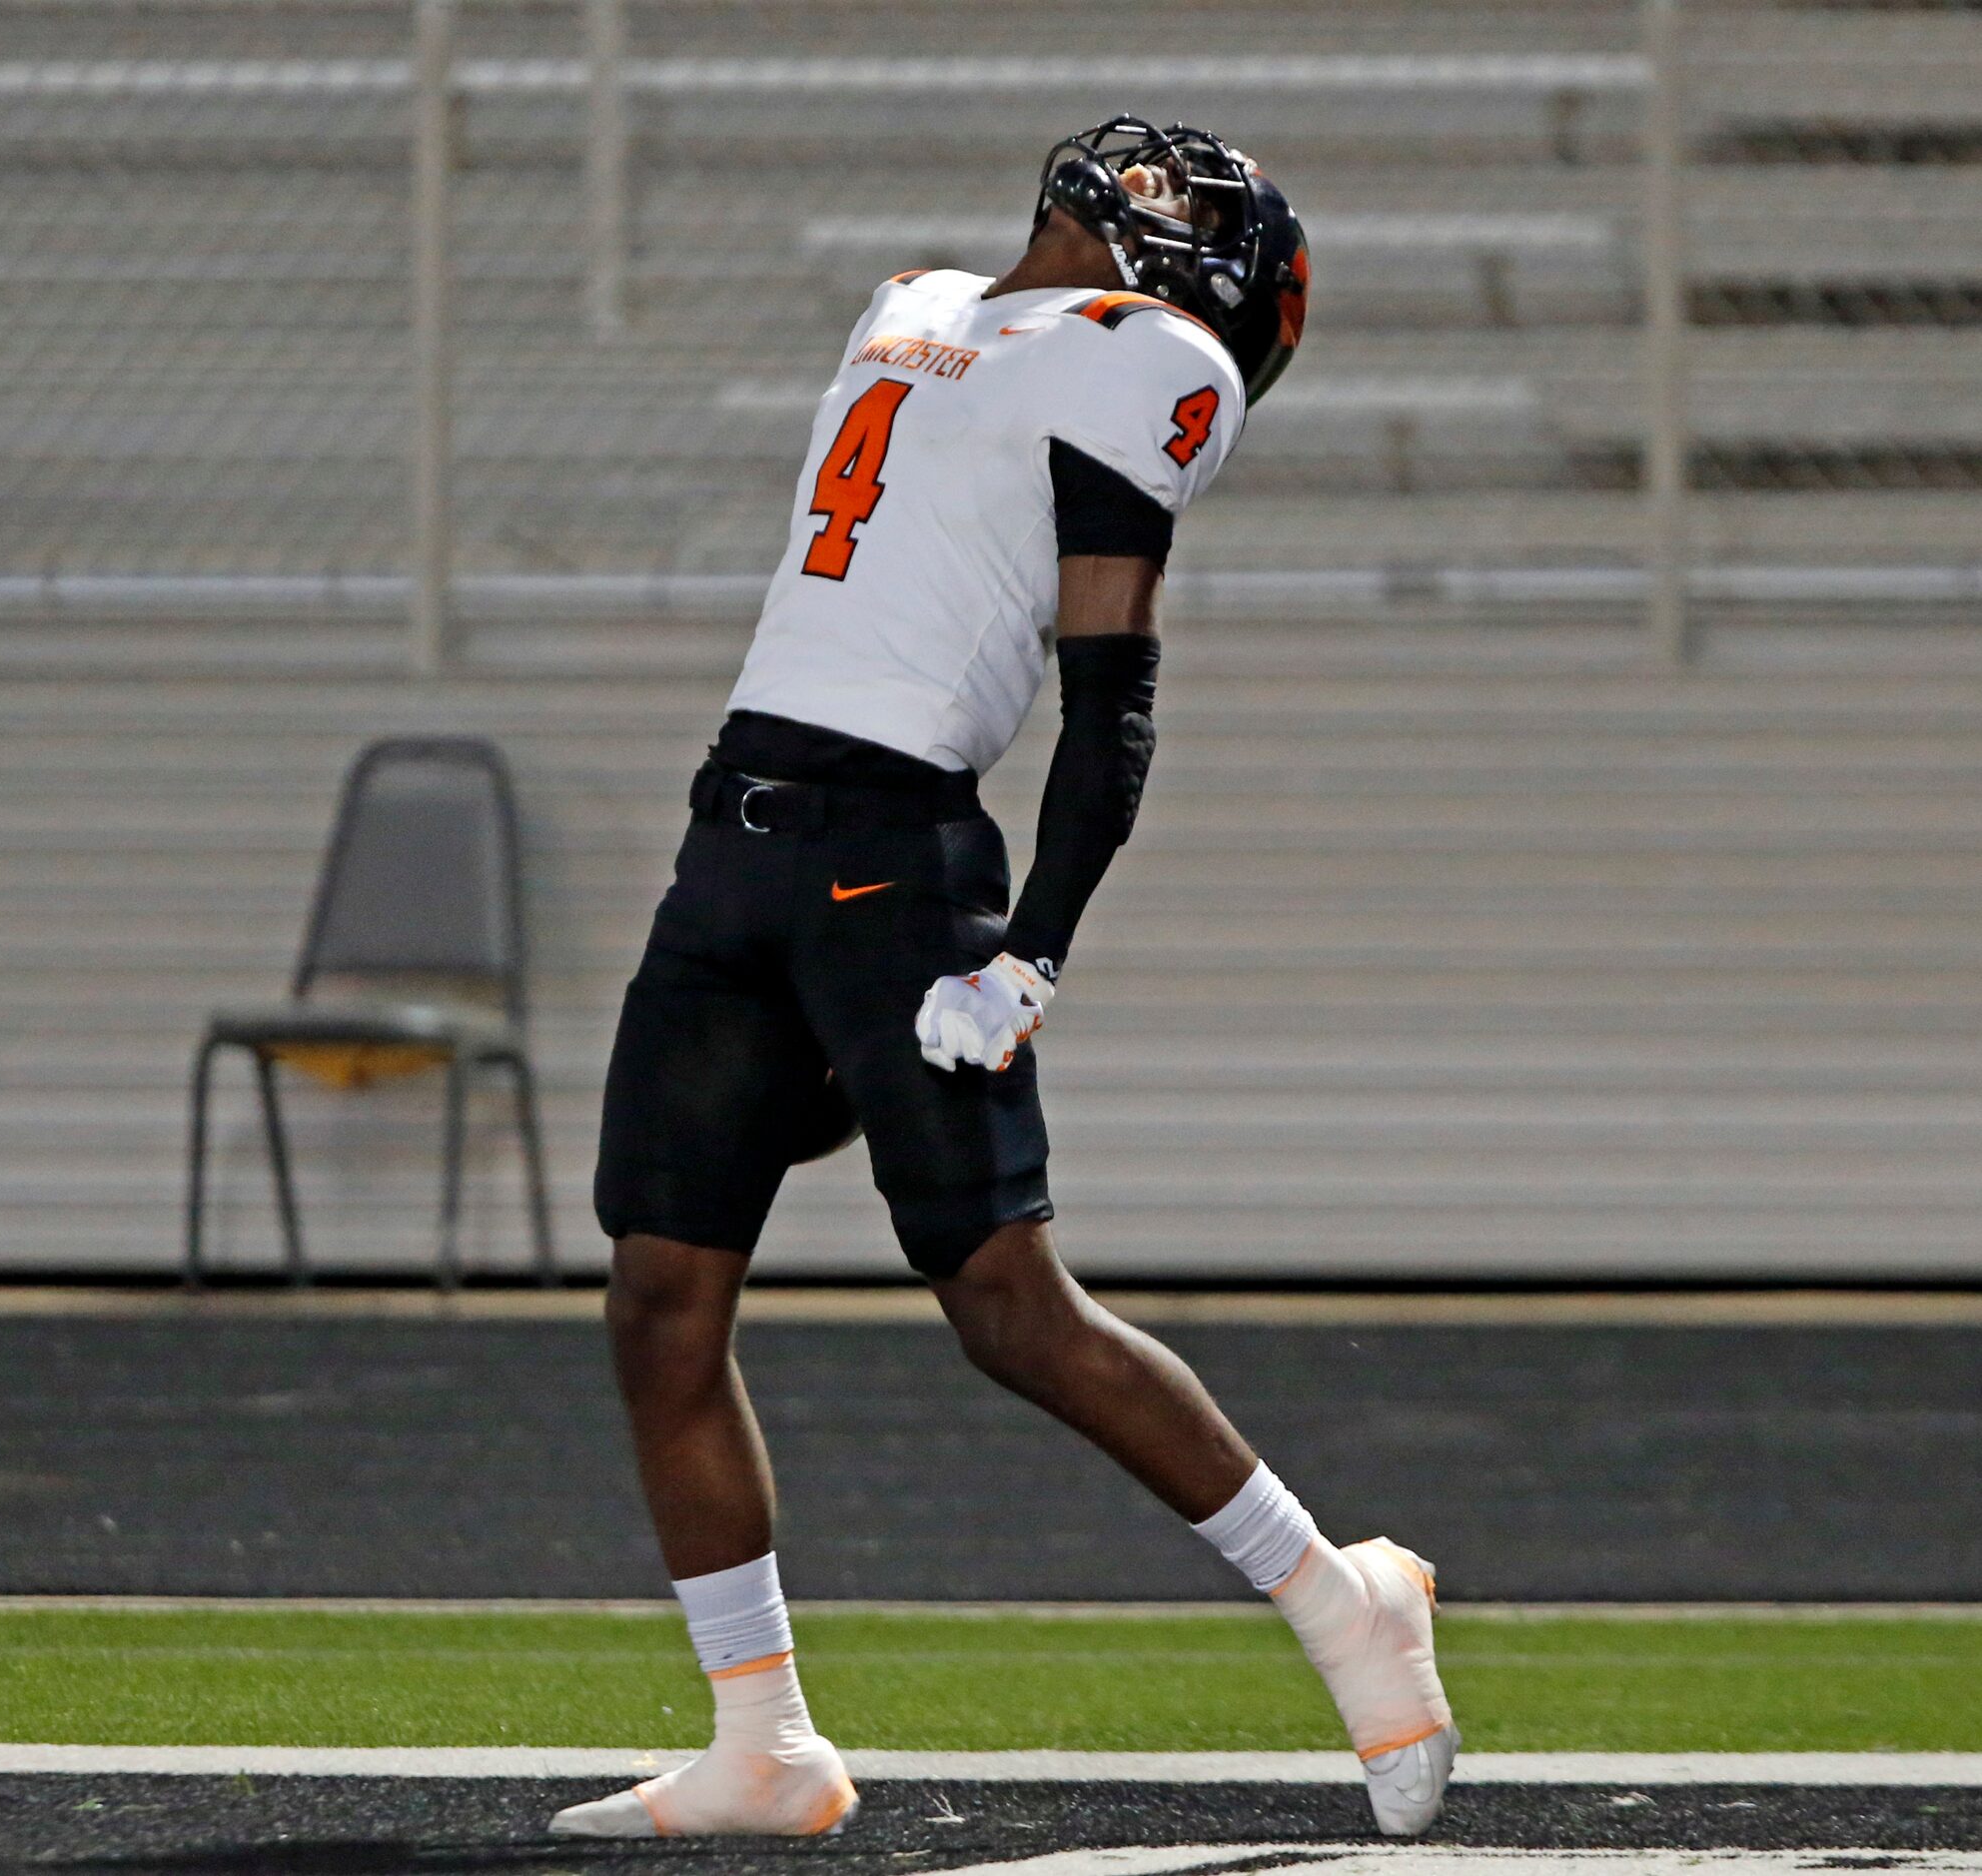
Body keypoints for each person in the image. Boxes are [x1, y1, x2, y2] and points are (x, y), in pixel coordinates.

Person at [552, 117, 1456, 1844]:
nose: (1159, 187)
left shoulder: (1154, 360)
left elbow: (1109, 701)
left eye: (1202, 212)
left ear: (1212, 288)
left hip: (895, 851)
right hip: (735, 827)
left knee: (1007, 1306)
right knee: (659, 1298)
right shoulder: (915, 298)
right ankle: (767, 1743)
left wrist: (1029, 949)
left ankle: (1342, 1597)